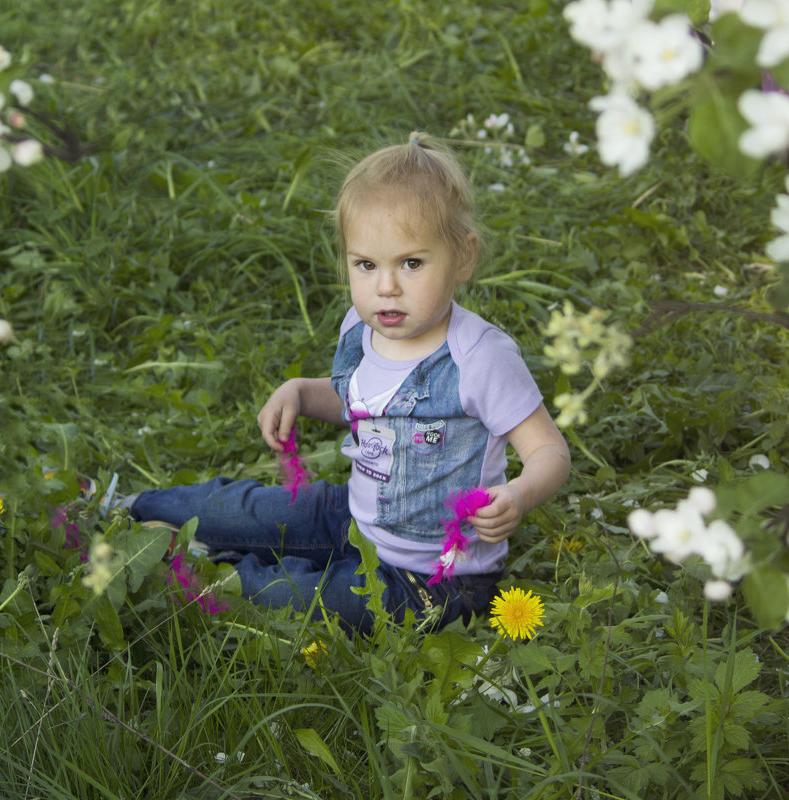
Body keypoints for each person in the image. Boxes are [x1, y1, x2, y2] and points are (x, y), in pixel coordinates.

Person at [126, 132, 571, 633]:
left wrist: (519, 493)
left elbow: (550, 451)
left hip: (433, 579)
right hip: (354, 518)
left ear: (463, 257)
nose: (386, 286)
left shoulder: (480, 358)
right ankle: (124, 509)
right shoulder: (361, 331)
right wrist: (298, 391)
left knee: (296, 597)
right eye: (366, 265)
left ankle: (190, 568)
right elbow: (357, 402)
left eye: (412, 263)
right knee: (247, 509)